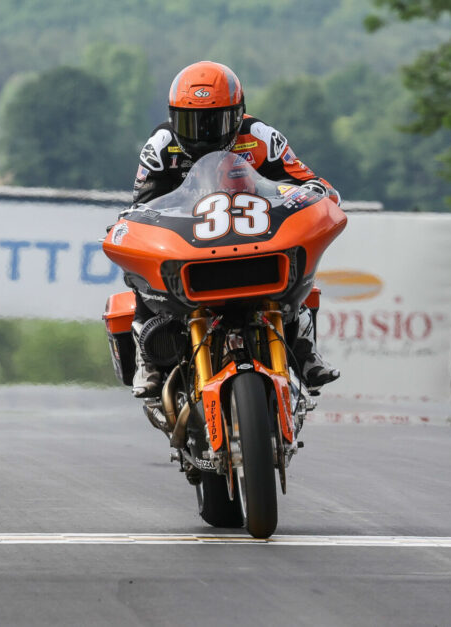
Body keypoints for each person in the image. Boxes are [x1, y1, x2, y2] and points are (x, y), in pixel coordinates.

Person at [130, 60, 341, 398]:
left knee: (298, 263)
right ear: (173, 117)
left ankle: (303, 350)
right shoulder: (160, 146)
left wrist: (318, 192)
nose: (204, 133)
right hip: (191, 240)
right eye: (192, 121)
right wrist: (141, 224)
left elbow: (303, 179)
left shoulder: (261, 138)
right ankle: (151, 361)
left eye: (216, 121)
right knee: (140, 269)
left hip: (254, 235)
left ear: (239, 112)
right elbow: (143, 203)